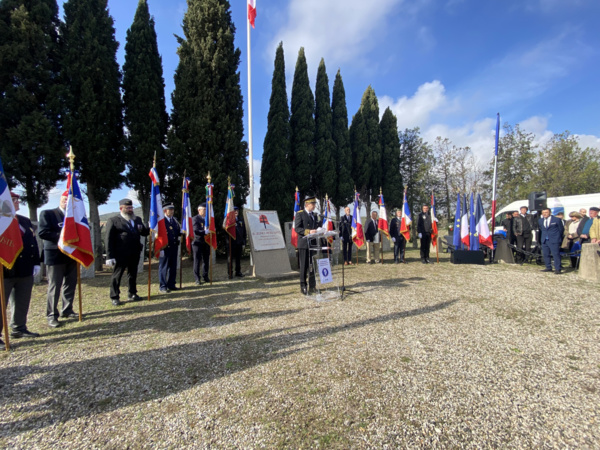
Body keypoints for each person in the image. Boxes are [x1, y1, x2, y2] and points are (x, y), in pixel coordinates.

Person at [1, 192, 41, 340]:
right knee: (1, 303)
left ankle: (19, 327)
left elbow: (33, 243)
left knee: (22, 300)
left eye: (17, 199)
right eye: (13, 200)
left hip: (25, 268)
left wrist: (36, 262)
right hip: (4, 269)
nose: (17, 202)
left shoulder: (24, 221)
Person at [38, 191, 77, 327]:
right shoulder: (48, 214)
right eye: (65, 199)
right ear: (60, 199)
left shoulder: (75, 216)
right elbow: (43, 232)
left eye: (70, 200)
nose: (67, 202)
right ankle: (52, 315)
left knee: (70, 283)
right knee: (55, 286)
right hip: (55, 255)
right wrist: (64, 237)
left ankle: (67, 309)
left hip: (72, 254)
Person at [105, 199, 149, 306]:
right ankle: (115, 296)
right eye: (128, 208)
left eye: (131, 208)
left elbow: (144, 233)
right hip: (120, 253)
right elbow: (108, 239)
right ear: (121, 208)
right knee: (117, 275)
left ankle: (132, 293)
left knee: (132, 274)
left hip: (135, 252)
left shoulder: (137, 219)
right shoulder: (114, 220)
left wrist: (148, 226)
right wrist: (109, 256)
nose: (130, 210)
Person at [294, 194, 319, 295]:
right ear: (307, 204)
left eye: (314, 204)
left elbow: (316, 226)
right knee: (304, 266)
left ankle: (312, 286)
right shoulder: (300, 214)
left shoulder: (314, 215)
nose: (314, 206)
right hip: (304, 243)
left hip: (312, 243)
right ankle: (303, 286)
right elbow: (297, 228)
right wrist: (308, 232)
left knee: (312, 265)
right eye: (313, 204)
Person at [158, 204, 181, 293]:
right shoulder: (161, 221)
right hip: (165, 247)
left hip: (174, 247)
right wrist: (160, 249)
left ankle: (171, 284)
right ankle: (163, 286)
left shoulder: (174, 220)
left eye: (173, 210)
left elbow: (176, 232)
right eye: (170, 210)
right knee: (164, 267)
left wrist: (182, 232)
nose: (172, 211)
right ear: (165, 211)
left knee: (173, 266)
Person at [538, 208, 564, 274]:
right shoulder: (540, 221)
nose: (544, 214)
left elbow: (561, 229)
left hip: (554, 239)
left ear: (550, 212)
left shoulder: (556, 220)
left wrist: (557, 238)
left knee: (556, 254)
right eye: (543, 212)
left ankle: (557, 269)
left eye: (546, 212)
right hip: (544, 240)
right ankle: (548, 267)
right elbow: (542, 229)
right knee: (546, 254)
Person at [192, 203, 210, 284]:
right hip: (197, 242)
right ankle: (197, 278)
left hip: (206, 242)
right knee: (197, 260)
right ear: (199, 210)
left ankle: (205, 276)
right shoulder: (195, 219)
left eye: (206, 210)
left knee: (206, 260)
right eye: (204, 209)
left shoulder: (208, 219)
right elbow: (195, 230)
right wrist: (204, 232)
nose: (205, 211)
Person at [228, 207, 246, 278]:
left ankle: (238, 272)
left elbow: (244, 231)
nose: (236, 212)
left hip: (239, 242)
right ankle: (230, 273)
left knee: (238, 259)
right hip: (231, 243)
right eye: (235, 211)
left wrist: (244, 241)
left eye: (237, 211)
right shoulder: (229, 221)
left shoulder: (241, 220)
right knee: (230, 258)